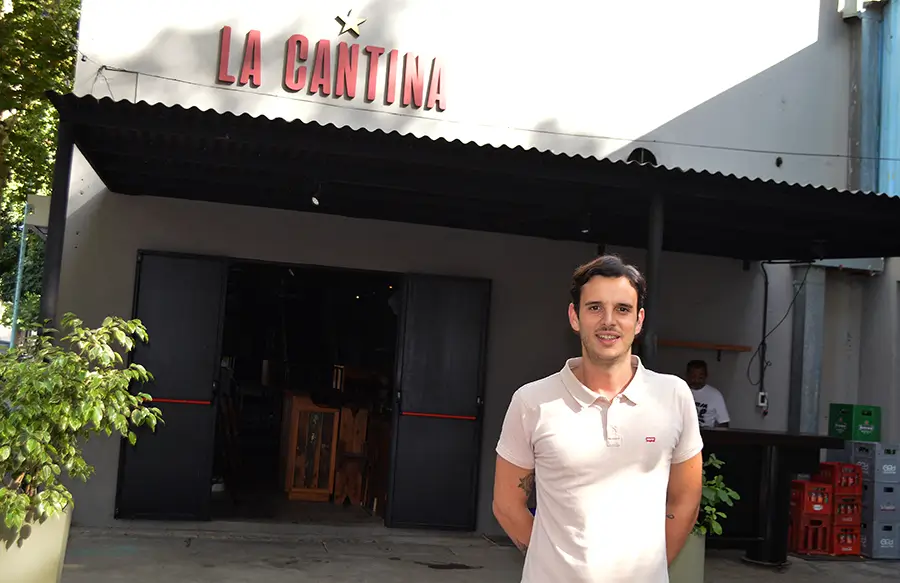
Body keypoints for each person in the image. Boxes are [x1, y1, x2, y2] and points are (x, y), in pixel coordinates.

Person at [492, 255, 703, 583]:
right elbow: (507, 504)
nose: (609, 321)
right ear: (574, 316)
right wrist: (553, 563)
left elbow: (685, 500)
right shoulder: (532, 401)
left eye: (622, 309)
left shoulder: (673, 396)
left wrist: (649, 570)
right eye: (594, 308)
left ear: (639, 320)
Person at [685, 360, 730, 428]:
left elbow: (724, 422)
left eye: (700, 378)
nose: (696, 381)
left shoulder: (715, 395)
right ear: (687, 375)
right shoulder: (679, 391)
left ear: (706, 376)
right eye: (693, 377)